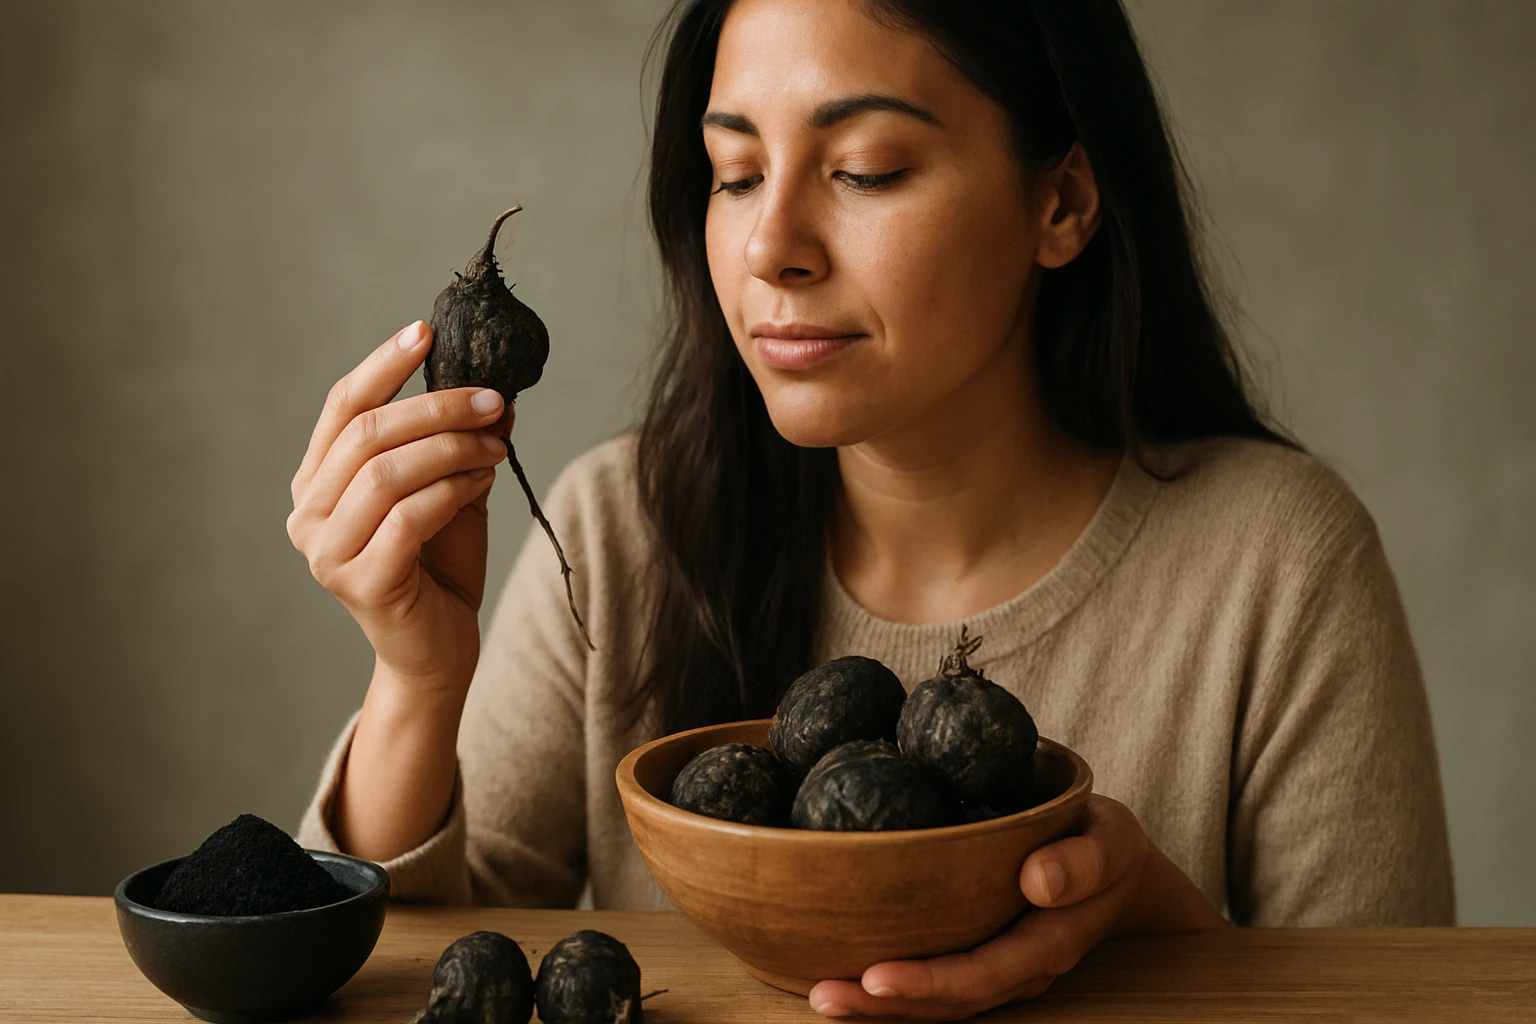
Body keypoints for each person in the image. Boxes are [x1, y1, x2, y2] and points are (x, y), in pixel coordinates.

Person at [286, 0, 1455, 1018]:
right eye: (735, 175)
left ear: (1064, 200)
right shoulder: (614, 531)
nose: (770, 245)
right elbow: (428, 980)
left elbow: (1398, 1005)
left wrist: (1143, 912)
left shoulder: (1281, 560)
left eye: (867, 170)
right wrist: (417, 678)